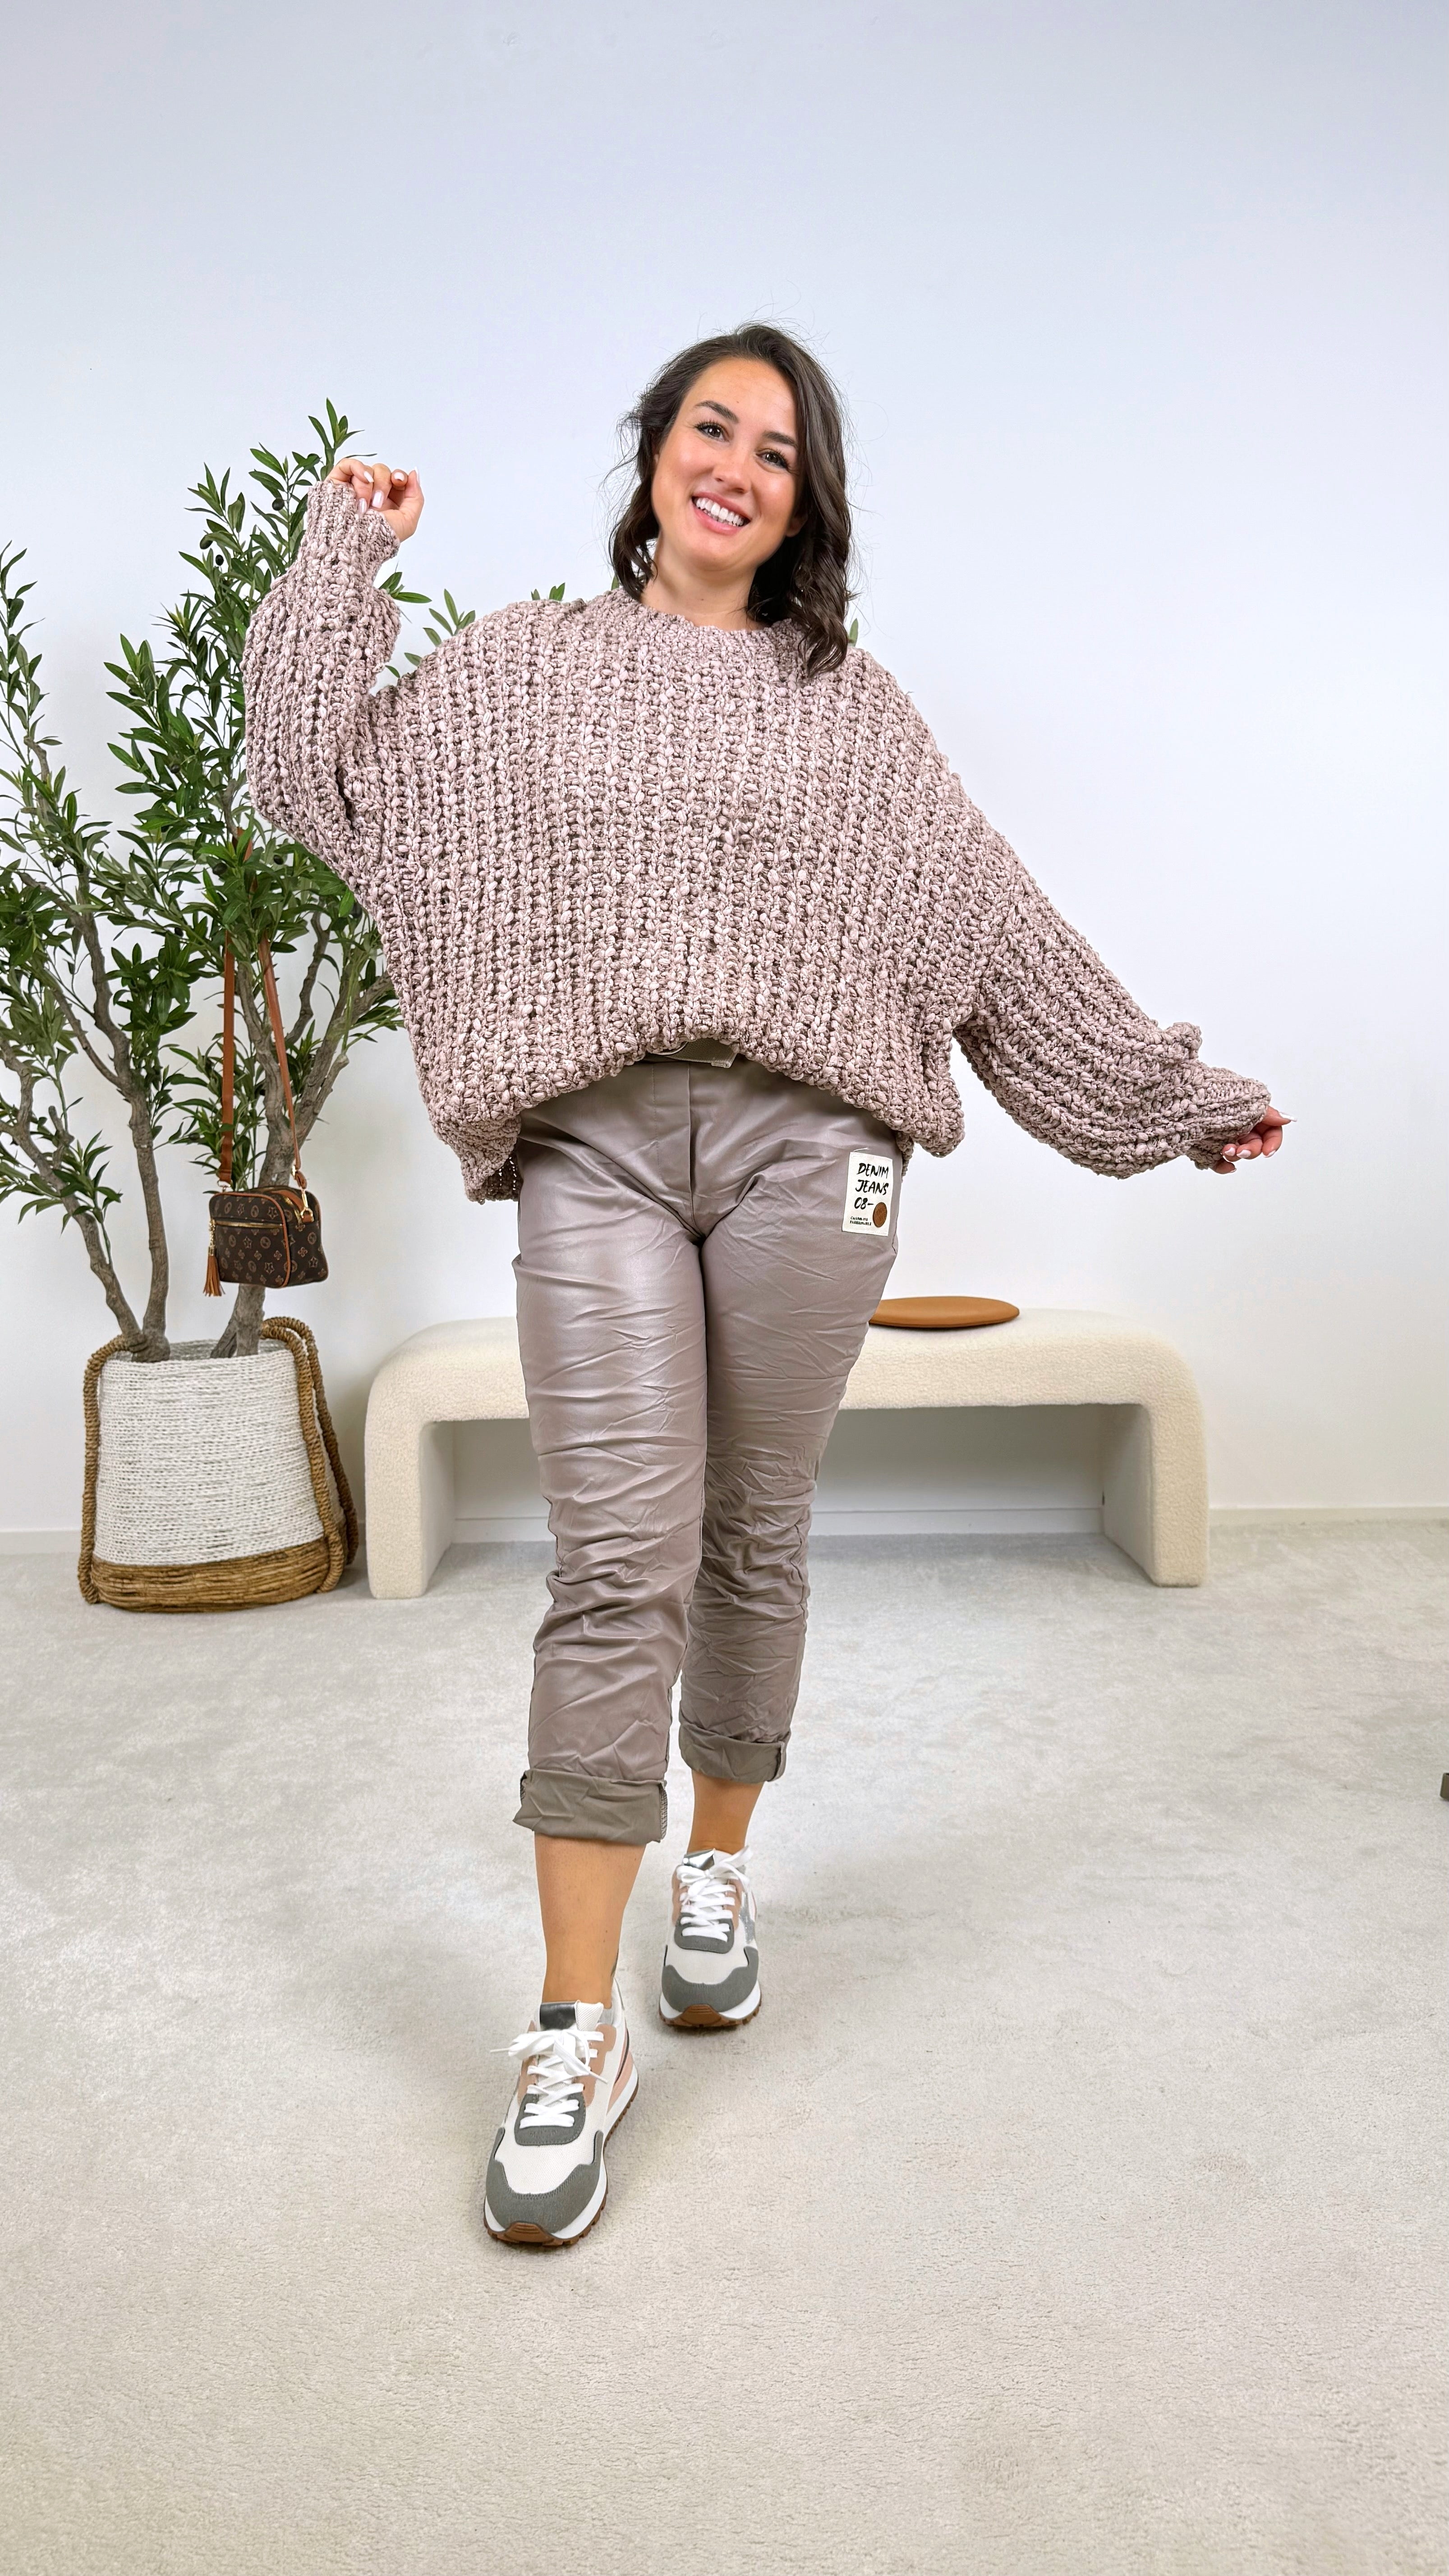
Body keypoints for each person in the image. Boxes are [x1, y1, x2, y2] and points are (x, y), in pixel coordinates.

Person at [243, 322, 1285, 2251]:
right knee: (614, 1557)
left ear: (806, 505)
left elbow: (991, 924)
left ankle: (714, 1867)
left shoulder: (849, 707)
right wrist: (344, 557)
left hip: (822, 1153)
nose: (735, 465)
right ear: (655, 453)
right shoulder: (521, 669)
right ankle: (573, 2027)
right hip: (598, 1144)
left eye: (777, 451)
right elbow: (309, 778)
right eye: (709, 428)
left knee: (755, 1525)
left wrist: (1166, 1101)